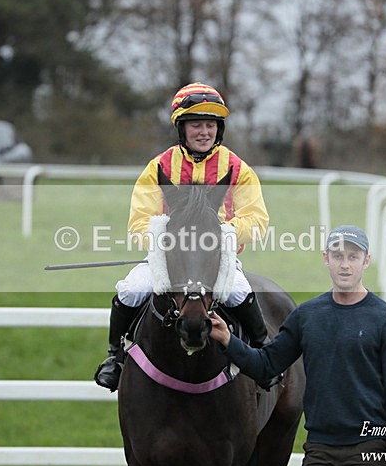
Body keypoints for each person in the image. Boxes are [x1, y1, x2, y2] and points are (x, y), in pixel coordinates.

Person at [209, 225, 386, 466]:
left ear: (366, 261)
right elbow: (267, 365)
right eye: (338, 256)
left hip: (371, 452)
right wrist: (228, 339)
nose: (345, 265)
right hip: (321, 454)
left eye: (353, 257)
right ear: (326, 258)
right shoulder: (306, 316)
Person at [94, 81, 271, 392]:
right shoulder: (158, 167)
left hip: (218, 259)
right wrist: (168, 241)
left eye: (210, 125)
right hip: (168, 258)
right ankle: (115, 357)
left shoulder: (238, 169)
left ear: (220, 129)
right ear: (182, 128)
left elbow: (256, 219)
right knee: (132, 289)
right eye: (196, 125)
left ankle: (263, 357)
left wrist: (222, 235)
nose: (204, 132)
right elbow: (139, 222)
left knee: (240, 291)